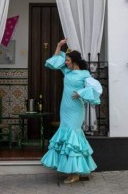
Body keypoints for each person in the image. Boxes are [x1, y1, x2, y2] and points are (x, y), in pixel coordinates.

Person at [40, 39, 102, 184]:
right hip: (65, 108)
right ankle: (82, 170)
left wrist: (80, 92)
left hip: (76, 109)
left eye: (67, 60)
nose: (65, 62)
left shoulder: (85, 74)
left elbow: (96, 88)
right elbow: (55, 61)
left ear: (74, 61)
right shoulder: (66, 71)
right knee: (69, 138)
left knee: (73, 139)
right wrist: (58, 46)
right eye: (66, 60)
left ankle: (75, 173)